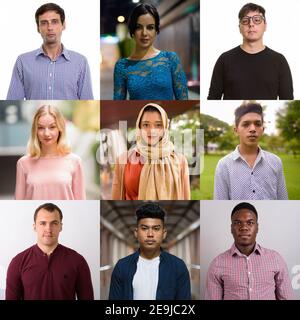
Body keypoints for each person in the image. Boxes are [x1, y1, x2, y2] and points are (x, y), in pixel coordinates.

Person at [205, 202, 294, 300]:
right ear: (231, 228)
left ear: (257, 227)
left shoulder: (276, 259)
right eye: (238, 223)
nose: (244, 227)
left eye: (250, 222)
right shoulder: (217, 264)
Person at [6, 203, 94, 300]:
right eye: (43, 223)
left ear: (61, 226)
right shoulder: (18, 262)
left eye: (54, 223)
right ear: (34, 226)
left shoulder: (78, 261)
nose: (48, 229)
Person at [7, 3, 93, 100]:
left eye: (54, 22)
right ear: (38, 28)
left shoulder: (80, 62)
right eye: (44, 23)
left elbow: (88, 102)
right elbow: (11, 102)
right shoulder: (23, 62)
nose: (50, 28)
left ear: (63, 25)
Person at [207, 3, 293, 100]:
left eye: (257, 20)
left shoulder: (279, 60)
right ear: (239, 27)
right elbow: (213, 98)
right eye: (245, 21)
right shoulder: (225, 59)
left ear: (265, 26)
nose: (251, 24)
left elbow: (287, 98)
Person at [109, 202, 191, 300]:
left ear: (164, 233)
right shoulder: (122, 266)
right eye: (144, 228)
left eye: (156, 229)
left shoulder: (178, 267)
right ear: (136, 233)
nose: (150, 234)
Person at [112, 103, 190, 200]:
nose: (152, 130)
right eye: (146, 125)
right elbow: (116, 198)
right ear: (139, 127)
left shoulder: (180, 160)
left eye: (158, 125)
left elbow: (185, 198)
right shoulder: (122, 160)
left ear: (165, 128)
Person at [214, 102, 288, 200]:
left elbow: (283, 200)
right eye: (246, 124)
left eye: (257, 124)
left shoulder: (276, 162)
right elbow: (220, 203)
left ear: (263, 129)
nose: (252, 129)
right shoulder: (224, 165)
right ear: (236, 130)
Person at [113, 3, 188, 100]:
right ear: (132, 31)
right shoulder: (122, 66)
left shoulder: (170, 59)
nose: (144, 33)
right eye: (138, 27)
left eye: (150, 27)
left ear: (156, 31)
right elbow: (119, 105)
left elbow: (183, 100)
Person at [15, 105, 86, 200]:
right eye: (41, 128)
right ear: (35, 131)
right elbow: (19, 203)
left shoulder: (75, 161)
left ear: (60, 128)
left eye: (52, 127)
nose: (46, 133)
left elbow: (80, 203)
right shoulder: (23, 163)